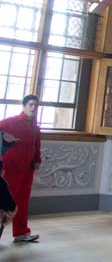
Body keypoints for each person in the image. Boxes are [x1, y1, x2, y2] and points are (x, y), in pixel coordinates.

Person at [0, 95, 42, 243]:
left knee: (23, 202)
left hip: (27, 170)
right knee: (5, 202)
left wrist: (37, 160)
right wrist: (4, 135)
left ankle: (21, 233)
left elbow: (36, 146)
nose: (33, 108)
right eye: (30, 105)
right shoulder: (11, 122)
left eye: (36, 106)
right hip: (11, 169)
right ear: (24, 106)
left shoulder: (36, 128)